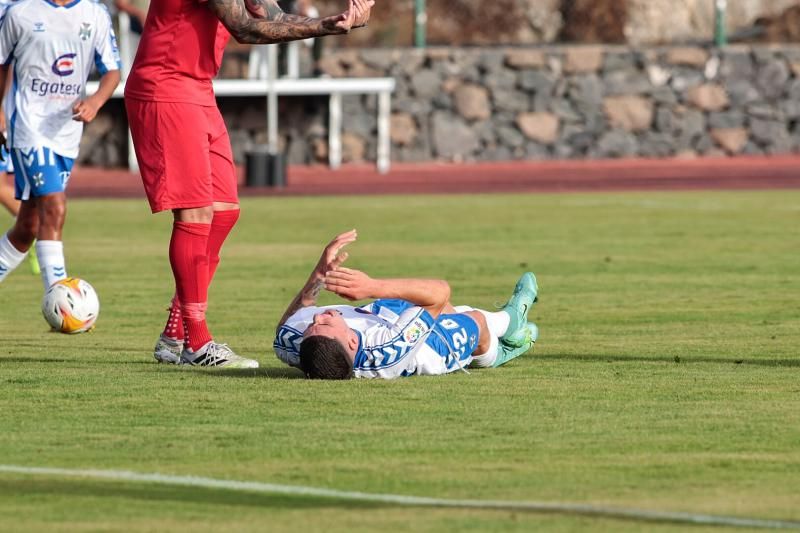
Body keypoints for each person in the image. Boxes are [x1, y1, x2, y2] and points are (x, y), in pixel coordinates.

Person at [125, 0, 374, 369]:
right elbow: (245, 28)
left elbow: (269, 15)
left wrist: (337, 22)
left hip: (197, 89)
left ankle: (176, 329)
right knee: (195, 214)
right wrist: (324, 26)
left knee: (224, 212)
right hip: (166, 87)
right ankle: (197, 344)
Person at [273, 230, 540, 380]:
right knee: (474, 322)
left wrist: (320, 274)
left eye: (313, 325)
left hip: (381, 318)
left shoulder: (294, 342)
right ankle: (505, 335)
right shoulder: (387, 349)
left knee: (415, 301)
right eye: (326, 323)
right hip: (430, 349)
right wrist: (370, 287)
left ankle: (508, 326)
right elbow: (440, 291)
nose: (319, 317)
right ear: (352, 342)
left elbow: (291, 321)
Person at [0, 0, 121, 290]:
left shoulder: (95, 14)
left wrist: (95, 102)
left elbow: (112, 71)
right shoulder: (20, 13)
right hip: (28, 125)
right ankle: (61, 298)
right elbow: (1, 64)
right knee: (55, 206)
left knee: (28, 226)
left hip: (66, 131)